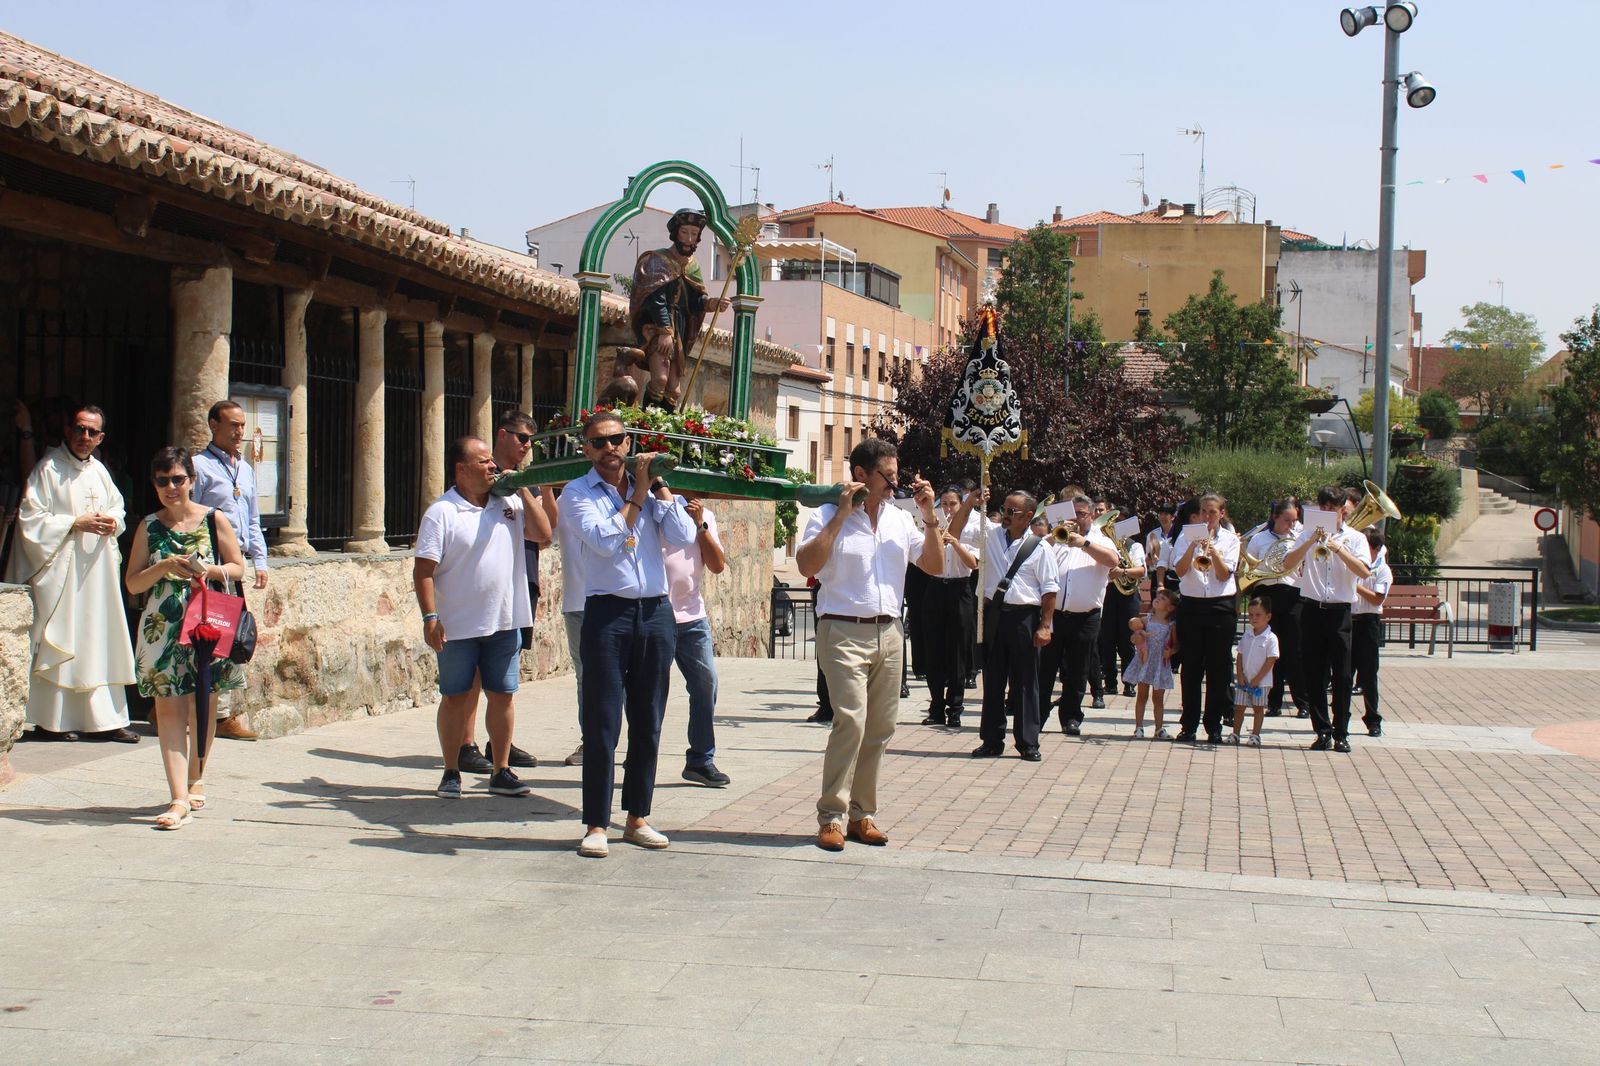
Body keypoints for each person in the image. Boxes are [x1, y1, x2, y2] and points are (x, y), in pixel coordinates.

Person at [560, 411, 696, 857]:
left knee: (648, 720)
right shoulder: (577, 494)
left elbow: (683, 534)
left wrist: (657, 487)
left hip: (655, 612)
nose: (609, 449)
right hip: (607, 613)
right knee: (602, 723)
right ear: (586, 449)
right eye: (598, 443)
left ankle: (637, 816)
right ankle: (596, 824)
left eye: (616, 440)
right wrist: (637, 495)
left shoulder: (651, 493)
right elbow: (604, 539)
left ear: (628, 441)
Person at [797, 438, 940, 850]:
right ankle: (831, 816)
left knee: (880, 728)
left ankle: (863, 815)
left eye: (896, 474)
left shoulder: (899, 519)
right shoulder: (826, 513)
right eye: (888, 475)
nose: (895, 483)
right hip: (842, 629)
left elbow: (932, 564)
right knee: (851, 721)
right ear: (861, 474)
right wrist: (840, 516)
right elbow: (808, 565)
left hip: (890, 632)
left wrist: (929, 518)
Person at [124, 446, 247, 827]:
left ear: (192, 481)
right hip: (162, 626)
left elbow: (238, 568)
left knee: (202, 704)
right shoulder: (149, 525)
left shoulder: (214, 519)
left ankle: (196, 778)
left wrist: (206, 570)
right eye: (163, 481)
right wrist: (162, 566)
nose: (171, 487)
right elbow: (132, 583)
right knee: (168, 707)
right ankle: (178, 797)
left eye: (178, 479)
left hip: (206, 622)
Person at [413, 437, 540, 800]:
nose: (492, 468)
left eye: (492, 463)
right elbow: (423, 571)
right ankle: (451, 771)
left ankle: (501, 769)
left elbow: (544, 535)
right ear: (461, 470)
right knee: (455, 696)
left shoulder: (509, 502)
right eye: (483, 462)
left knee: (502, 695)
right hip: (456, 625)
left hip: (504, 620)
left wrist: (524, 490)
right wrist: (430, 617)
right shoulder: (442, 512)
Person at [5, 403, 140, 743]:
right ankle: (56, 721)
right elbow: (30, 520)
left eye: (92, 431)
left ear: (101, 437)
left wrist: (114, 521)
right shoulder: (48, 468)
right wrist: (73, 523)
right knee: (65, 638)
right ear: (69, 430)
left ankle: (105, 719)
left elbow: (118, 507)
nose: (85, 436)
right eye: (80, 429)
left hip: (96, 574)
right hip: (63, 573)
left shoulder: (100, 472)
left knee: (99, 639)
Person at [448, 412, 553, 776]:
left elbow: (548, 528)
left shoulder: (525, 481)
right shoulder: (478, 479)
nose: (527, 445)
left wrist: (543, 480)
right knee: (473, 670)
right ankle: (465, 743)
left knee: (504, 671)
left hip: (520, 578)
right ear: (502, 435)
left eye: (531, 440)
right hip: (479, 587)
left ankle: (499, 744)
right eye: (522, 437)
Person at [191, 400, 269, 741]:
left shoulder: (246, 470)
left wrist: (260, 560)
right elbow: (190, 514)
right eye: (233, 425)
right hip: (208, 566)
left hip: (233, 570)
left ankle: (221, 712)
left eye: (242, 425)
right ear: (213, 425)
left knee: (233, 639)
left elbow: (252, 519)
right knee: (203, 637)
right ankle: (190, 708)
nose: (240, 432)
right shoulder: (199, 466)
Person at [1279, 486, 1373, 753]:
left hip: (1340, 611)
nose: (1328, 512)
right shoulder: (1307, 534)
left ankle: (1342, 732)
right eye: (1324, 508)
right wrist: (1310, 542)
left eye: (1333, 508)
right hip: (1311, 609)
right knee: (1314, 674)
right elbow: (1288, 563)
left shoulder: (1355, 538)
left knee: (1342, 675)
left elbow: (1364, 572)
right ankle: (1322, 731)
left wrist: (1338, 548)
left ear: (1343, 509)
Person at [966, 489, 1058, 761]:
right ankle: (992, 740)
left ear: (1028, 516)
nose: (1005, 515)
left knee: (1026, 681)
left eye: (1011, 511)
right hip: (995, 614)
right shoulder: (991, 536)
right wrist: (972, 502)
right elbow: (958, 529)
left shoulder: (1040, 547)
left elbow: (1049, 590)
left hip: (1024, 617)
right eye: (1004, 509)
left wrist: (1045, 625)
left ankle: (1028, 742)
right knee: (993, 679)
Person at [629, 209, 731, 409]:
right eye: (685, 232)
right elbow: (655, 299)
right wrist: (664, 331)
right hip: (658, 327)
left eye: (694, 234)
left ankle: (664, 432)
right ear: (676, 233)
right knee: (659, 380)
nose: (689, 239)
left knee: (674, 391)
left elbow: (694, 302)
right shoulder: (658, 260)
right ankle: (647, 429)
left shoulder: (693, 266)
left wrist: (712, 304)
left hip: (680, 331)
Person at [665, 491, 731, 787]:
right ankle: (640, 757)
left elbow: (717, 565)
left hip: (692, 617)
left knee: (707, 685)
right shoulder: (654, 509)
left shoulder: (705, 516)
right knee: (649, 692)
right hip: (655, 616)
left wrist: (700, 524)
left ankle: (701, 759)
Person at [1039, 495, 1120, 737]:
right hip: (1054, 615)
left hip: (1086, 616)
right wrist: (1055, 537)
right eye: (1073, 513)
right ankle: (1038, 713)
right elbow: (1037, 555)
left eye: (1082, 513)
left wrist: (1083, 544)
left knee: (1078, 670)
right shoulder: (1056, 537)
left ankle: (1071, 716)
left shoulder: (1101, 540)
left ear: (1092, 515)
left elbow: (1113, 561)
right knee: (1045, 668)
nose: (1077, 518)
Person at [1171, 493, 1241, 744]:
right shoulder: (1185, 535)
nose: (1207, 517)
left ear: (1221, 514)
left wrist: (1214, 552)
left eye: (1212, 512)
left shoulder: (1231, 539)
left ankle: (1214, 726)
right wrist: (1193, 545)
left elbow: (1223, 575)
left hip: (1220, 607)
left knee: (1218, 668)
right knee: (1190, 667)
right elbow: (1179, 571)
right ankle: (1188, 725)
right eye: (1203, 512)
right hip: (1191, 606)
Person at [920, 485, 982, 729]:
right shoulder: (932, 524)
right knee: (933, 651)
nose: (948, 509)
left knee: (957, 652)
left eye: (952, 504)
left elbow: (973, 564)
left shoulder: (973, 527)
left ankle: (955, 707)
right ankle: (936, 707)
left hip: (960, 589)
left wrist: (955, 543)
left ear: (961, 505)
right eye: (944, 504)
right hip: (935, 588)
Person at [1246, 497, 1309, 720]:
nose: (1291, 525)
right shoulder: (1259, 539)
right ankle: (1273, 702)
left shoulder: (1300, 538)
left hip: (1292, 594)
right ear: (1274, 517)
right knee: (1270, 651)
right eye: (1286, 520)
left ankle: (1302, 702)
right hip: (1267, 595)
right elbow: (1249, 566)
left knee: (1294, 651)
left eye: (1294, 520)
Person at [542, 485, 587, 766]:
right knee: (587, 679)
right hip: (578, 604)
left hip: (617, 602)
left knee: (628, 679)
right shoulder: (568, 497)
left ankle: (636, 745)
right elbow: (547, 534)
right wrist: (546, 488)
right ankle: (591, 742)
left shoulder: (629, 495)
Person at [1097, 501, 1146, 698]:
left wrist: (1123, 571)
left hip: (1128, 595)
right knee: (1106, 639)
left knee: (1127, 640)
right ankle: (1109, 682)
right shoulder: (1104, 545)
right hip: (1109, 593)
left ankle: (1129, 682)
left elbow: (1141, 571)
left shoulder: (1135, 546)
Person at [1351, 528, 1392, 738]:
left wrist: (1355, 585)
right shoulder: (1353, 565)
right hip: (1348, 621)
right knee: (1342, 674)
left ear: (1375, 549)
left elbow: (1377, 598)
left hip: (1368, 623)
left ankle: (1373, 720)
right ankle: (1339, 718)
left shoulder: (1382, 570)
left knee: (1368, 675)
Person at [1125, 588, 1179, 738]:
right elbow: (1134, 635)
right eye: (1158, 596)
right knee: (1142, 695)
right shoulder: (1146, 619)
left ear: (1170, 608)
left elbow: (1176, 645)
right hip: (1145, 661)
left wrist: (1171, 652)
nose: (1158, 599)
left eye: (1162, 599)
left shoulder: (1171, 625)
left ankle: (1159, 728)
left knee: (1158, 698)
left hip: (1160, 663)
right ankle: (1139, 727)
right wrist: (1135, 638)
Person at [1229, 597, 1279, 747]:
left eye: (1258, 615)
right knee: (1239, 708)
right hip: (1245, 680)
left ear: (1268, 616)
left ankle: (1255, 735)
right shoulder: (1247, 635)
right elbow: (1240, 655)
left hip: (1261, 682)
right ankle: (1235, 733)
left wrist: (1258, 679)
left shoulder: (1271, 638)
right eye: (1250, 615)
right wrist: (1240, 675)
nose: (1253, 618)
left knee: (1258, 709)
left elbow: (1271, 660)